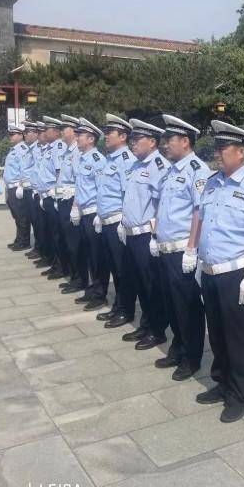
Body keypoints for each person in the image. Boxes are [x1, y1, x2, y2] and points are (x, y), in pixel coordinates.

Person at [188, 120, 244, 423]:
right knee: (218, 334)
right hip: (211, 272)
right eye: (217, 148)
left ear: (241, 151)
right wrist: (194, 255)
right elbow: (201, 219)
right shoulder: (212, 182)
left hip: (236, 274)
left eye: (223, 149)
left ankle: (240, 396)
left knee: (239, 338)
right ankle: (222, 384)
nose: (217, 154)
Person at [153, 114, 212, 380]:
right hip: (165, 248)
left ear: (185, 141)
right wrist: (155, 237)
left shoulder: (196, 170)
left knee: (187, 307)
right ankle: (178, 346)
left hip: (182, 251)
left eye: (170, 140)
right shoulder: (170, 171)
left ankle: (192, 357)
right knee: (171, 304)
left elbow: (199, 212)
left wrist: (191, 249)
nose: (165, 145)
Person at [119, 118, 170, 351]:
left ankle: (157, 330)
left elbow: (161, 205)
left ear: (151, 142)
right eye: (131, 140)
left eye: (136, 140)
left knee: (151, 285)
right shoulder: (135, 166)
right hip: (130, 232)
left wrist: (155, 235)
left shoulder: (159, 167)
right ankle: (146, 324)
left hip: (145, 236)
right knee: (139, 282)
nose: (132, 144)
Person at [94, 114, 138, 328]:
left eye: (109, 133)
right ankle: (118, 306)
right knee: (113, 266)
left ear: (122, 136)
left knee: (122, 271)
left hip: (118, 222)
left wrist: (123, 222)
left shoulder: (126, 161)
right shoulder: (109, 159)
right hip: (105, 220)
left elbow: (127, 195)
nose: (106, 137)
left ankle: (125, 310)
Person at [70, 118, 109, 310]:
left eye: (80, 136)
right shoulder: (82, 158)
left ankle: (100, 294)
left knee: (97, 256)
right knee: (87, 253)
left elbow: (102, 189)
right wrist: (75, 207)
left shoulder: (97, 160)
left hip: (94, 213)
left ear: (91, 139)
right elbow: (80, 187)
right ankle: (92, 289)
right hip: (84, 212)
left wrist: (99, 214)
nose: (77, 139)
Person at [53, 114, 81, 284]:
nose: (61, 132)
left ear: (73, 131)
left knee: (74, 243)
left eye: (65, 129)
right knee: (67, 240)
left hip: (72, 200)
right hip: (63, 198)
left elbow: (79, 182)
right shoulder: (67, 151)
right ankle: (74, 276)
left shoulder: (77, 152)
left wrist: (75, 206)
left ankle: (78, 279)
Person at [35, 116, 63, 275]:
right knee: (50, 232)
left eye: (47, 129)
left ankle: (59, 266)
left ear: (55, 132)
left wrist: (55, 192)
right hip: (45, 195)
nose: (44, 132)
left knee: (56, 233)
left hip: (53, 195)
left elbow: (58, 172)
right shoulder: (49, 148)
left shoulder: (58, 147)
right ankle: (54, 262)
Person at [3, 124, 31, 250]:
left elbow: (25, 169)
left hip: (17, 187)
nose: (11, 137)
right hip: (11, 187)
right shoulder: (14, 149)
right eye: (10, 134)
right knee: (16, 216)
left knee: (21, 216)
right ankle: (19, 239)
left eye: (13, 134)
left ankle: (24, 242)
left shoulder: (22, 149)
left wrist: (21, 186)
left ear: (21, 135)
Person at [20, 121, 42, 259]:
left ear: (35, 133)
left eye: (28, 132)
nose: (25, 135)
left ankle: (40, 249)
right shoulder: (31, 149)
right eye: (25, 132)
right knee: (35, 222)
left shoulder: (38, 149)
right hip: (29, 188)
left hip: (35, 189)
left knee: (39, 223)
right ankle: (38, 248)